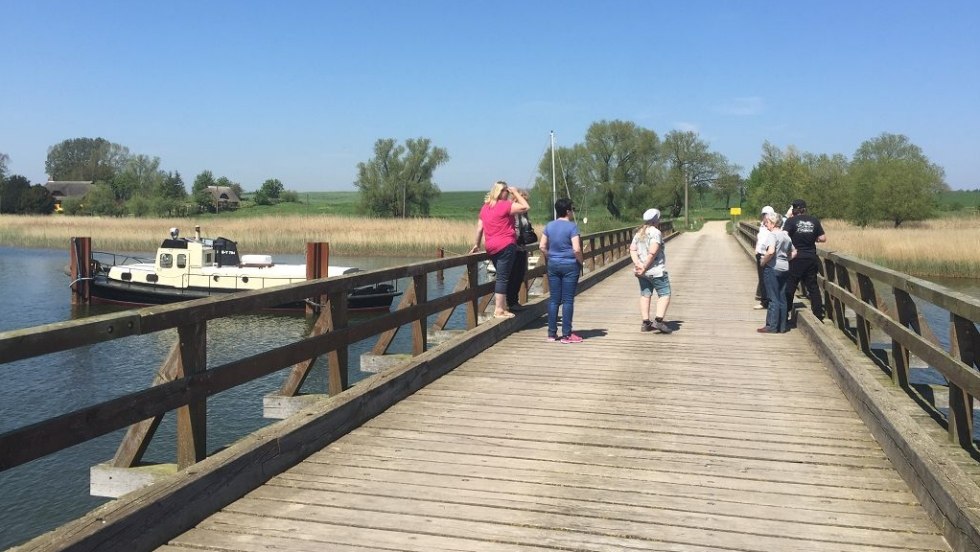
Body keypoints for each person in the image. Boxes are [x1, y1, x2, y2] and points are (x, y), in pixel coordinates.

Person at [470, 181, 530, 318]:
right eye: (506, 191)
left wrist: (476, 244)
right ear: (501, 192)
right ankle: (499, 310)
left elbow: (480, 228)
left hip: (491, 247)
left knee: (502, 277)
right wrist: (515, 192)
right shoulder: (504, 205)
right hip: (506, 245)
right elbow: (526, 206)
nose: (508, 194)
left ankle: (503, 307)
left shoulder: (485, 207)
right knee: (503, 278)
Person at [540, 198, 584, 343]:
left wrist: (550, 256)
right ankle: (566, 335)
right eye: (572, 209)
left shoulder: (549, 225)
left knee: (554, 300)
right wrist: (580, 261)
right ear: (567, 211)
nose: (572, 212)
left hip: (553, 264)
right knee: (567, 300)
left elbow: (542, 246)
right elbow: (576, 248)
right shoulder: (572, 227)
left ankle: (551, 334)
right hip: (569, 265)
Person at [629, 208, 672, 334]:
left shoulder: (639, 233)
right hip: (656, 271)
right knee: (665, 294)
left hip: (642, 273)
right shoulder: (655, 232)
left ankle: (646, 322)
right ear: (656, 220)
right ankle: (658, 320)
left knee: (645, 294)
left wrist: (638, 264)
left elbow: (632, 249)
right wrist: (644, 266)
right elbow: (652, 252)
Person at [783, 199, 827, 322]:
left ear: (794, 210)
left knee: (790, 285)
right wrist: (815, 239)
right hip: (811, 257)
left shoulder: (791, 221)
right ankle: (818, 315)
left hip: (796, 257)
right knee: (813, 286)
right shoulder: (814, 220)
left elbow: (784, 236)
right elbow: (823, 238)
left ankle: (785, 313)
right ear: (804, 209)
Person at [758, 212, 796, 333]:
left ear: (773, 223)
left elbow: (770, 251)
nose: (766, 224)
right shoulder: (786, 236)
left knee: (773, 297)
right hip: (784, 268)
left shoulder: (772, 235)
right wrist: (785, 259)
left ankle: (772, 326)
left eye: (768, 222)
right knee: (782, 297)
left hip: (773, 268)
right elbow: (794, 252)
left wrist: (763, 262)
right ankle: (782, 326)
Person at [507, 189, 534, 311]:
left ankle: (514, 301)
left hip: (522, 247)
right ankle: (511, 302)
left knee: (520, 275)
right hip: (514, 247)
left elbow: (526, 226)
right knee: (513, 275)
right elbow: (514, 228)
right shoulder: (512, 211)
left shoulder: (524, 214)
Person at [754, 206, 776, 310]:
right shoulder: (762, 226)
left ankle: (766, 301)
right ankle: (764, 300)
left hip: (767, 255)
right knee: (762, 278)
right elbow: (760, 240)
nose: (764, 217)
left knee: (766, 278)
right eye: (763, 215)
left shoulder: (772, 227)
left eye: (765, 215)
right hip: (760, 254)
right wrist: (756, 250)